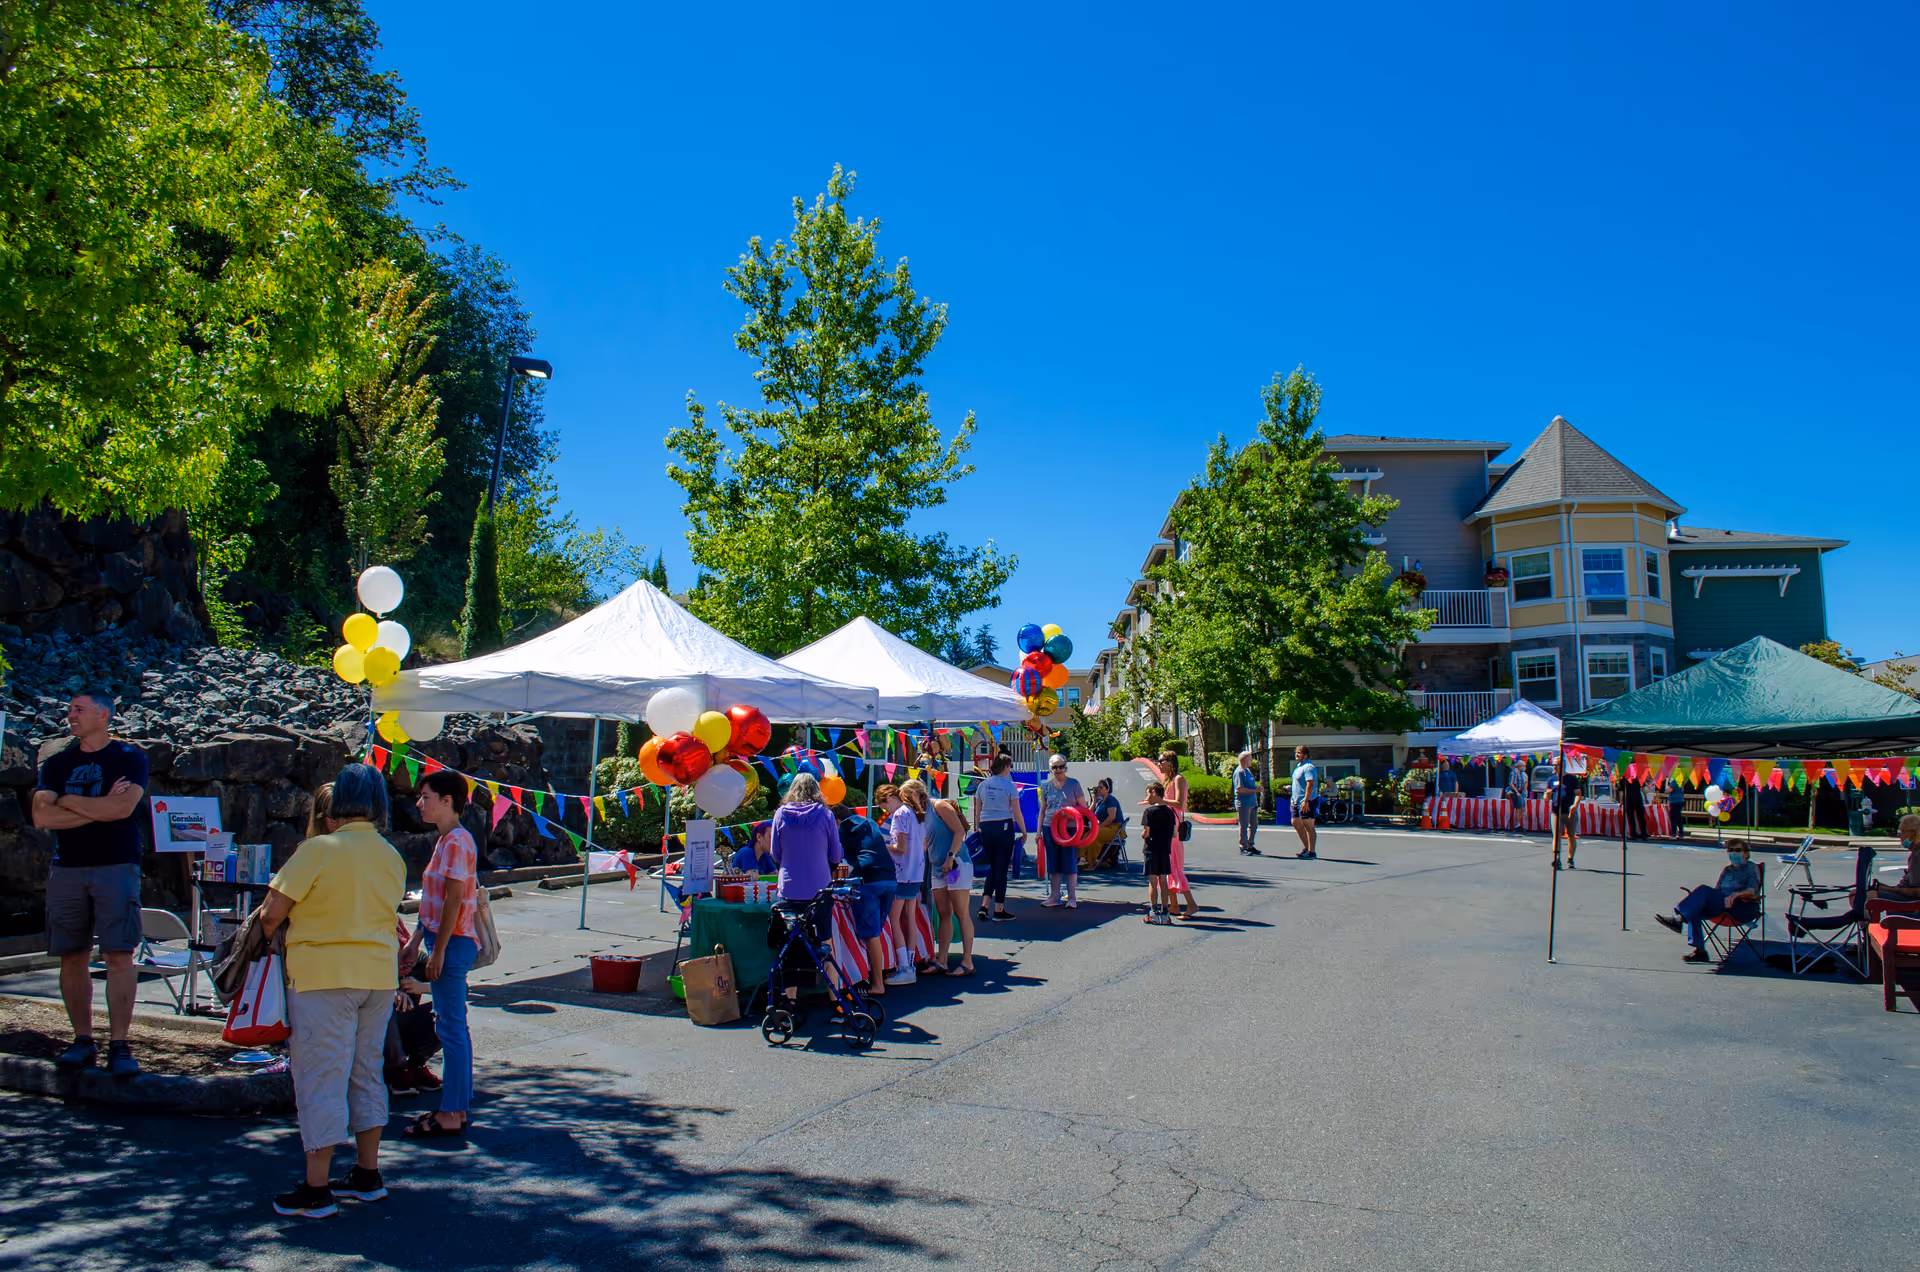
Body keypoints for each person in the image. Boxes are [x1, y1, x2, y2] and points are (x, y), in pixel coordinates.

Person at [259, 763, 407, 1217]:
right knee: (366, 1073)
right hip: (378, 978)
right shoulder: (391, 855)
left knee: (321, 1077)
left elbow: (271, 913)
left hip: (323, 976)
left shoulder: (318, 849)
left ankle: (316, 1186)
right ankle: (367, 1173)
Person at [33, 687, 149, 1079]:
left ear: (104, 715)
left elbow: (123, 808)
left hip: (116, 866)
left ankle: (119, 1044)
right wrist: (98, 810)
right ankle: (82, 1040)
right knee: (72, 956)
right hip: (68, 868)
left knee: (119, 954)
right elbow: (41, 817)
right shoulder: (56, 763)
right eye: (70, 709)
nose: (71, 716)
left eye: (79, 709)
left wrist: (67, 801)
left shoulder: (130, 758)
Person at [400, 769, 483, 1140]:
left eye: (427, 796)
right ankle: (455, 1106)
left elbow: (452, 900)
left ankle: (451, 1112)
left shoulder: (455, 842)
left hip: (451, 941)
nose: (420, 803)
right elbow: (437, 903)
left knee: (450, 1028)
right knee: (452, 1026)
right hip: (443, 938)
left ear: (447, 800)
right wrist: (418, 937)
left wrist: (439, 950)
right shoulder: (449, 839)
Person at [1654, 843, 1762, 962]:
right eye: (1731, 850)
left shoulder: (1751, 867)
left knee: (1702, 891)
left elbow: (1752, 890)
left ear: (1746, 853)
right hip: (1723, 905)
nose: (1734, 853)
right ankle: (1700, 952)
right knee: (1695, 908)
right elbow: (1717, 891)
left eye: (1738, 850)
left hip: (1742, 906)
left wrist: (1736, 894)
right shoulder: (1727, 870)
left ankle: (1679, 919)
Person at [837, 801, 897, 997]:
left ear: (836, 820)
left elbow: (835, 856)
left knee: (870, 935)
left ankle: (876, 983)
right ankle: (875, 974)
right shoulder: (869, 822)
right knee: (876, 932)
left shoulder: (843, 829)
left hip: (867, 880)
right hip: (889, 878)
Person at [879, 781, 929, 985]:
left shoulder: (900, 815)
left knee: (894, 918)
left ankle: (904, 967)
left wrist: (882, 845)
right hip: (917, 872)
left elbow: (900, 848)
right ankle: (909, 964)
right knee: (909, 917)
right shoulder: (919, 815)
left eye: (885, 806)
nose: (886, 810)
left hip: (902, 873)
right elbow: (923, 846)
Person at [768, 772, 843, 903]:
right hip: (819, 888)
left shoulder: (780, 814)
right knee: (821, 924)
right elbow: (836, 855)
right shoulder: (827, 815)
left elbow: (775, 854)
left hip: (789, 888)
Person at [971, 753, 1026, 922]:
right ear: (1006, 767)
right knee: (1001, 868)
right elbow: (1016, 812)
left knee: (993, 866)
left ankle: (984, 905)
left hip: (986, 826)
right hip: (1003, 827)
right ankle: (998, 909)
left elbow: (977, 808)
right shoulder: (1010, 786)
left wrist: (977, 827)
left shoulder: (983, 785)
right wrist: (1024, 832)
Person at [926, 793, 976, 976]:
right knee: (944, 913)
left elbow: (960, 832)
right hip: (938, 868)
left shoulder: (938, 807)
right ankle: (942, 960)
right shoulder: (921, 815)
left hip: (956, 865)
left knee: (961, 912)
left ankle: (968, 961)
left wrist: (950, 857)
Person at [1038, 754, 1087, 908]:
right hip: (1050, 827)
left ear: (1066, 767)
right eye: (1055, 767)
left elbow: (1083, 808)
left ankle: (1072, 897)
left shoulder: (1074, 784)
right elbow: (1043, 810)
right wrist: (1038, 832)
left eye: (1061, 766)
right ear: (1051, 769)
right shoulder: (1046, 786)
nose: (1059, 770)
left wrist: (1071, 812)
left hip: (1070, 828)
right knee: (1053, 862)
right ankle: (1054, 896)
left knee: (1069, 860)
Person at [1159, 751, 1200, 918]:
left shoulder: (1178, 779)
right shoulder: (1167, 781)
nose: (1159, 763)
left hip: (1173, 829)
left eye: (1161, 761)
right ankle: (1174, 904)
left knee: (1174, 866)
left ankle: (1191, 904)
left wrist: (1160, 801)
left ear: (1170, 762)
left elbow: (1180, 804)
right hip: (1165, 826)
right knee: (1167, 866)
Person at [1140, 781, 1177, 925]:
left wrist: (1143, 835)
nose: (1147, 797)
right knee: (1163, 881)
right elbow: (1174, 834)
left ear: (1154, 793)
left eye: (1148, 794)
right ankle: (1165, 911)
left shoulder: (1149, 812)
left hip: (1151, 848)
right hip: (1164, 849)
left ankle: (1153, 911)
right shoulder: (1170, 812)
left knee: (1152, 882)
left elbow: (1146, 832)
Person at [1868, 814, 1920, 902]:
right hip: (1907, 898)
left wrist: (1890, 890)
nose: (1899, 836)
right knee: (1860, 893)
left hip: (1912, 903)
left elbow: (1917, 892)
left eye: (1900, 832)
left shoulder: (1918, 855)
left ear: (1912, 833)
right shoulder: (1915, 853)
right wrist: (1886, 888)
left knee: (1861, 896)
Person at [1550, 754, 1584, 870]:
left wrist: (1575, 804)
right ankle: (1556, 858)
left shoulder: (1572, 779)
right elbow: (1547, 794)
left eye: (1556, 765)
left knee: (1571, 835)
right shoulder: (1551, 779)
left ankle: (1570, 858)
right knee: (1556, 836)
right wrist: (1546, 795)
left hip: (1569, 812)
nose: (1554, 767)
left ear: (1563, 765)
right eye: (1553, 765)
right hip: (1556, 812)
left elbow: (1578, 794)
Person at [1086, 778, 1124, 869]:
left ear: (1107, 789)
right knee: (1086, 836)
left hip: (1114, 828)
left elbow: (1112, 817)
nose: (1098, 789)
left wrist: (1099, 827)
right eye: (1098, 787)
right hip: (1105, 826)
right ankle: (1083, 859)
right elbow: (1089, 813)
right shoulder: (1100, 801)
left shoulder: (1111, 800)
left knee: (1095, 835)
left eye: (1101, 788)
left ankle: (1091, 862)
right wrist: (1094, 801)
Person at [1289, 745, 1318, 861]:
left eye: (1299, 753)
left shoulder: (1309, 767)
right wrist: (1292, 797)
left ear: (1305, 755)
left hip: (1307, 801)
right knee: (1295, 822)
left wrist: (1306, 800)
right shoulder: (1298, 767)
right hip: (1296, 801)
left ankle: (1312, 851)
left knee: (1308, 824)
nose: (1297, 755)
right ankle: (1305, 848)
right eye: (1296, 752)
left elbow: (1310, 784)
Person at [1234, 751, 1261, 855]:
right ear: (1245, 760)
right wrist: (1255, 791)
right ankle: (1243, 846)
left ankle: (1250, 845)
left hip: (1252, 802)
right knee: (1244, 825)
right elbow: (1239, 789)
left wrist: (1257, 789)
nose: (1251, 761)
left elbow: (1250, 786)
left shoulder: (1248, 771)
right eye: (1250, 759)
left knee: (1253, 825)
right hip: (1243, 803)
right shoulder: (1239, 772)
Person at [1622, 772, 1648, 841]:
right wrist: (1646, 797)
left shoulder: (1623, 778)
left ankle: (1633, 834)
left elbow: (1621, 791)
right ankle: (1644, 834)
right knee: (1641, 817)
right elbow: (1644, 789)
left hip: (1628, 799)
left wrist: (1621, 801)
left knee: (1631, 817)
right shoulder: (1638, 777)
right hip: (1638, 799)